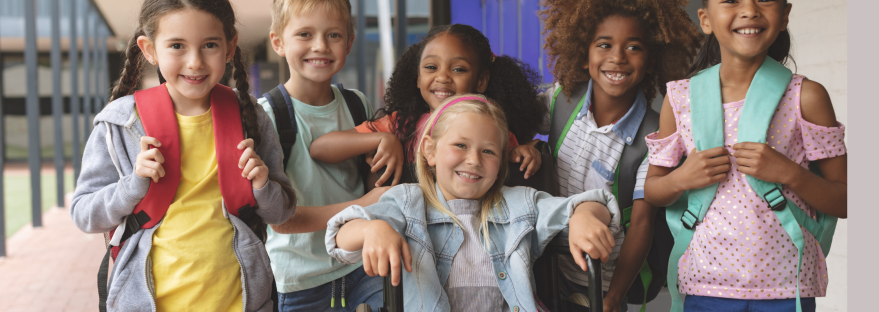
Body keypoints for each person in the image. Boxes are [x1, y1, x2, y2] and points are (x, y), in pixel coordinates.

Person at [70, 0, 296, 310]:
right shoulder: (121, 123)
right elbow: (84, 213)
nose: (195, 62)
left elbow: (281, 212)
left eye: (210, 45)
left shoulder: (250, 117)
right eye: (177, 45)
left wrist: (263, 185)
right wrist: (132, 184)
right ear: (149, 49)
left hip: (240, 301)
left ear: (230, 47)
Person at [325, 94, 620, 311]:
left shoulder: (519, 204)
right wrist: (372, 229)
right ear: (430, 150)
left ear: (501, 161)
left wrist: (584, 215)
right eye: (460, 145)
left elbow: (594, 203)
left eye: (488, 151)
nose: (473, 160)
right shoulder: (407, 202)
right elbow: (341, 234)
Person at [644, 1, 847, 311]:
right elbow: (653, 191)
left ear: (785, 15)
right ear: (705, 19)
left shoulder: (806, 97)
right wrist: (683, 178)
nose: (750, 9)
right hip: (706, 286)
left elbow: (845, 199)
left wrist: (790, 173)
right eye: (731, 0)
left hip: (786, 288)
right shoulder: (680, 99)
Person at [536, 0, 703, 310]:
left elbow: (641, 225)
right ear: (584, 55)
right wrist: (522, 145)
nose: (617, 58)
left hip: (601, 280)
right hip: (543, 265)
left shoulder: (654, 133)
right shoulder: (561, 97)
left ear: (651, 61)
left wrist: (613, 297)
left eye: (634, 48)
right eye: (604, 44)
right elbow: (503, 126)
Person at [258, 1, 388, 311]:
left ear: (350, 42)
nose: (320, 46)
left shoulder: (358, 104)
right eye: (304, 33)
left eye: (333, 35)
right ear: (278, 41)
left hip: (362, 267)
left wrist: (389, 143)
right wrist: (366, 206)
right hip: (301, 282)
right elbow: (281, 221)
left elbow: (374, 181)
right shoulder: (266, 117)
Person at [310, 24, 547, 187]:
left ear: (482, 80)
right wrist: (382, 139)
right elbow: (321, 148)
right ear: (417, 77)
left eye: (458, 69)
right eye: (431, 68)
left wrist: (523, 153)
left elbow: (513, 162)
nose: (442, 77)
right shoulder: (400, 124)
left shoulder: (494, 130)